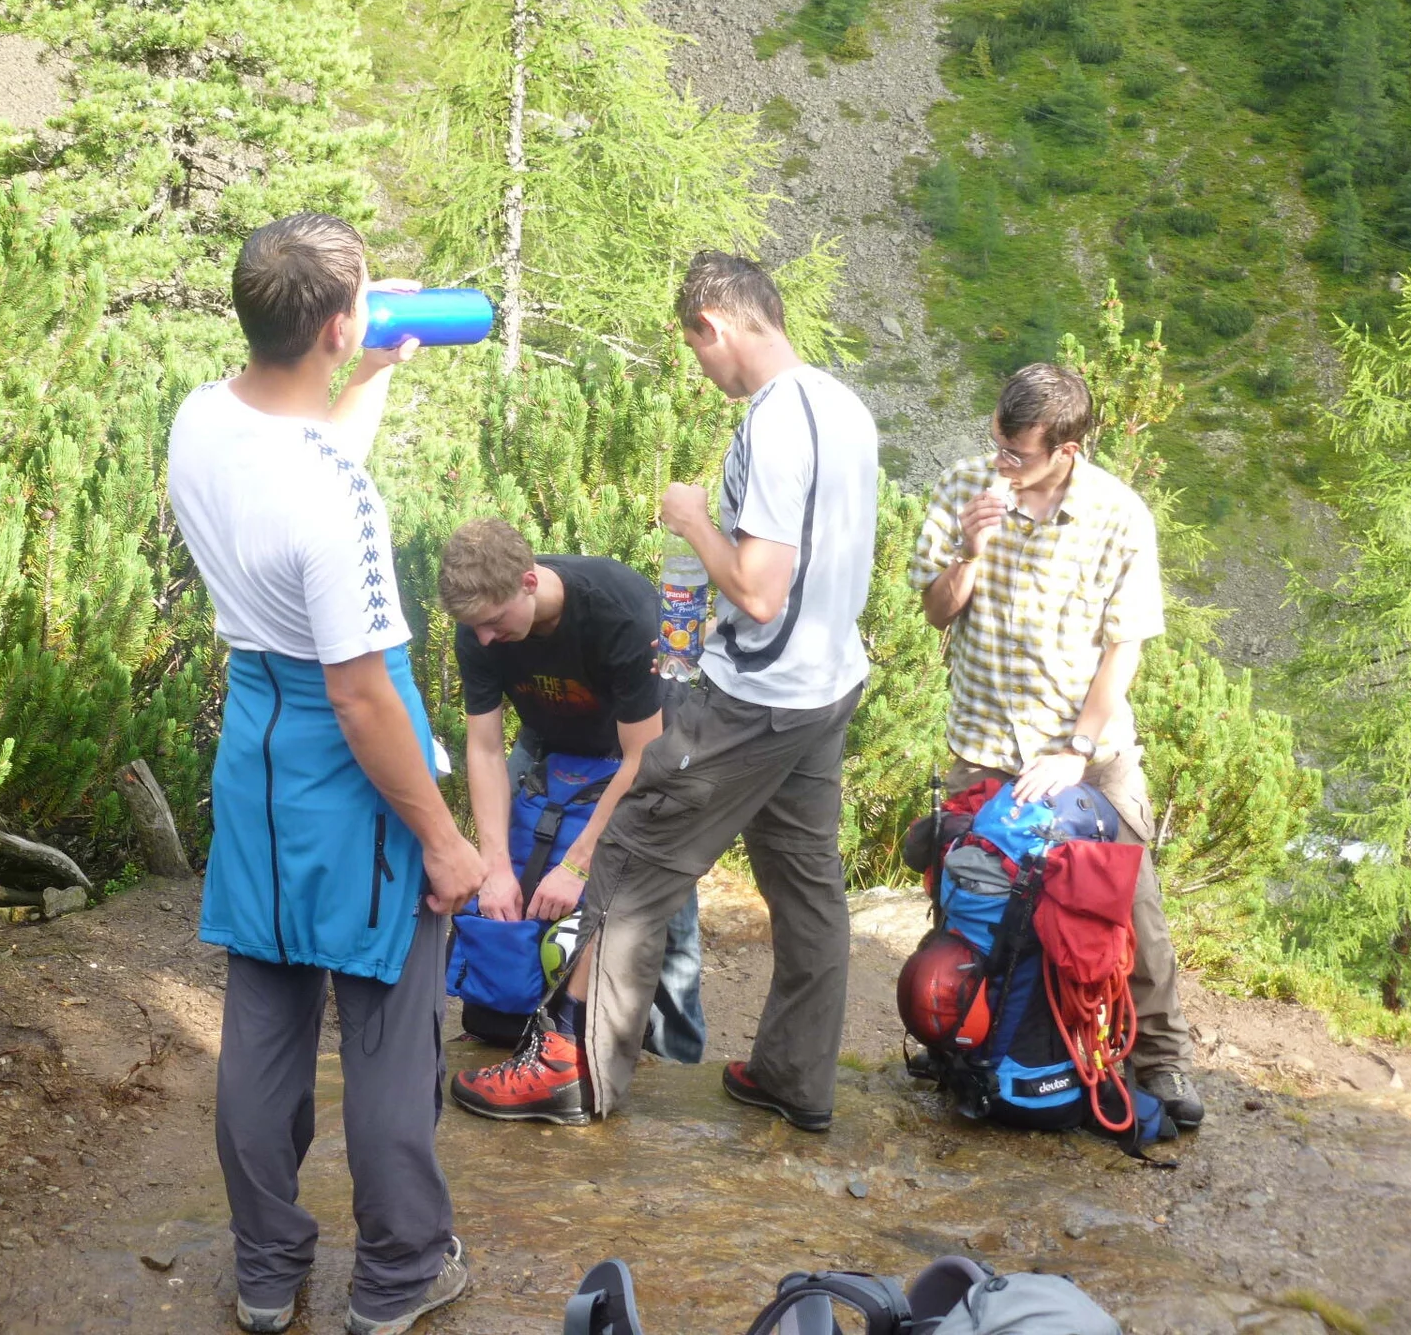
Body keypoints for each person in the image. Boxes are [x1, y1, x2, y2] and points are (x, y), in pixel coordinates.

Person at [450, 251, 879, 1130]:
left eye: (696, 350)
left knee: (629, 859)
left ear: (714, 326)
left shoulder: (777, 420)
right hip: (829, 682)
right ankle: (795, 1075)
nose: (703, 370)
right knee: (806, 884)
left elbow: (758, 590)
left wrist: (690, 522)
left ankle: (570, 1068)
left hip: (757, 692)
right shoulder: (844, 407)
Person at [167, 213, 486, 1335]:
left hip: (253, 741)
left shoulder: (204, 420)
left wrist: (377, 375)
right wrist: (446, 840)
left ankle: (265, 1273)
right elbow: (363, 695)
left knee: (263, 1015)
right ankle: (399, 1273)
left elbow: (308, 453)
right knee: (391, 1022)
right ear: (339, 323)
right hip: (345, 759)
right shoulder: (336, 501)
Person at [908, 361, 1205, 1130]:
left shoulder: (1118, 515)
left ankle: (1159, 1057)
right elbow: (936, 613)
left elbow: (1124, 647)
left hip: (1088, 752)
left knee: (1129, 905)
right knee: (967, 897)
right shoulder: (962, 486)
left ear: (1067, 449)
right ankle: (964, 1042)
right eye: (998, 446)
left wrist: (1077, 747)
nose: (1002, 465)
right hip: (983, 743)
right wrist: (969, 553)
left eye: (1019, 455)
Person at [437, 518, 706, 1067]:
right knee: (515, 871)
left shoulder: (618, 612)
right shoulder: (480, 623)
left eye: (492, 623)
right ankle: (512, 1022)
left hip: (644, 745)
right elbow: (486, 750)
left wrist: (580, 864)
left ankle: (676, 1061)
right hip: (547, 739)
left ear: (529, 583)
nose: (484, 638)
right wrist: (494, 867)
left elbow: (640, 760)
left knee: (655, 904)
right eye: (475, 628)